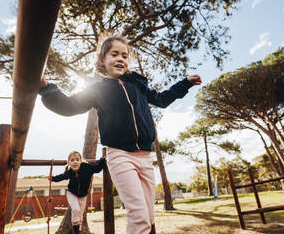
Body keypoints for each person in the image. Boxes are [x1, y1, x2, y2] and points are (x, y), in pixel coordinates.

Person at [39, 36, 202, 234]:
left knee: (149, 216)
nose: (120, 59)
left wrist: (184, 84)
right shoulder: (97, 89)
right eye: (114, 54)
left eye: (125, 56)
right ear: (102, 60)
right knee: (139, 217)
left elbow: (161, 99)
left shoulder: (137, 86)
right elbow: (68, 106)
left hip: (144, 156)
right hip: (120, 155)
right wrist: (45, 88)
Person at [48, 151, 105, 234]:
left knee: (80, 215)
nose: (75, 162)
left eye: (77, 160)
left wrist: (102, 160)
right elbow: (61, 177)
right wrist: (52, 178)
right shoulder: (69, 172)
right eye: (72, 160)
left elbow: (97, 168)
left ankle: (79, 230)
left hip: (83, 195)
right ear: (69, 162)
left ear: (81, 161)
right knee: (75, 209)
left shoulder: (87, 167)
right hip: (72, 193)